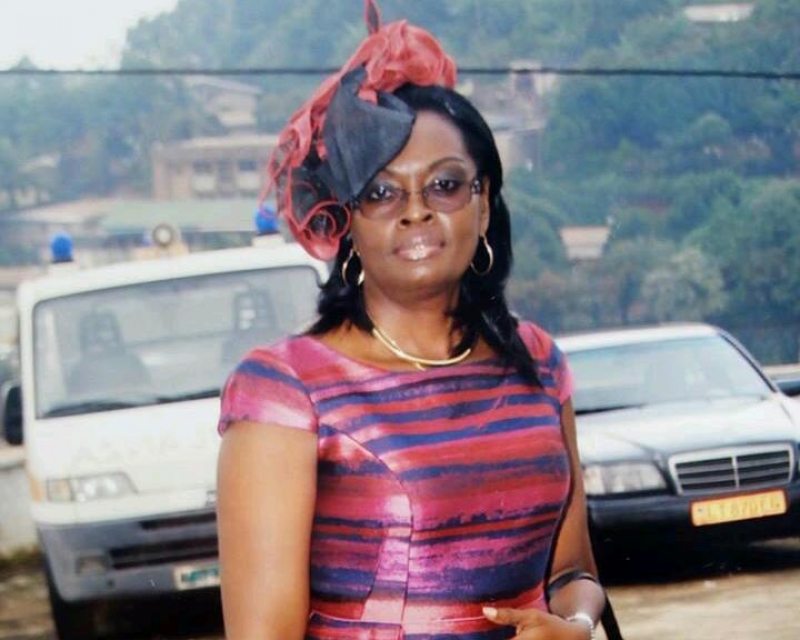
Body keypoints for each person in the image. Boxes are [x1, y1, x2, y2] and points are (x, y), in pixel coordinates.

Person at [216, 3, 608, 638]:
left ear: (484, 204)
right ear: (345, 222)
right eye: (380, 192)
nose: (415, 211)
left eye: (445, 185)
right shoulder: (286, 391)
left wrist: (579, 626)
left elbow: (572, 573)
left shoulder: (538, 361)